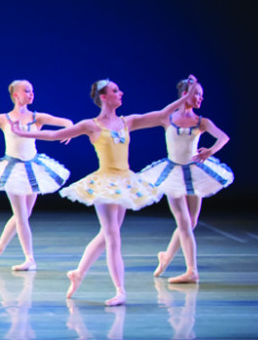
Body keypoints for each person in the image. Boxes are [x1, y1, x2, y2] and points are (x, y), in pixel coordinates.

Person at [12, 78, 199, 306]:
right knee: (112, 236)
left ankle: (78, 272)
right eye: (115, 90)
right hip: (104, 182)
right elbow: (54, 135)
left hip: (124, 181)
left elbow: (161, 113)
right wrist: (23, 134)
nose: (120, 93)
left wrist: (185, 97)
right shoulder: (92, 125)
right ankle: (120, 290)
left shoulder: (127, 122)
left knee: (108, 233)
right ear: (104, 97)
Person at [0, 80, 72, 270]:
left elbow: (64, 121)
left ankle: (0, 246)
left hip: (33, 168)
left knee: (24, 214)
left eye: (32, 90)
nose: (31, 94)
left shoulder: (36, 117)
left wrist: (68, 129)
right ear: (15, 95)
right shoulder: (3, 118)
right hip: (13, 170)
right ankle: (29, 258)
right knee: (21, 215)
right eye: (27, 91)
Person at [140, 76, 233, 284]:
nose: (201, 98)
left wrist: (210, 150)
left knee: (191, 222)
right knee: (183, 222)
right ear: (185, 95)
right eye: (197, 94)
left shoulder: (201, 122)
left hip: (194, 173)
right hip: (173, 174)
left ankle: (166, 256)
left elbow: (223, 137)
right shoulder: (168, 118)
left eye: (201, 95)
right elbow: (143, 120)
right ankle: (192, 271)